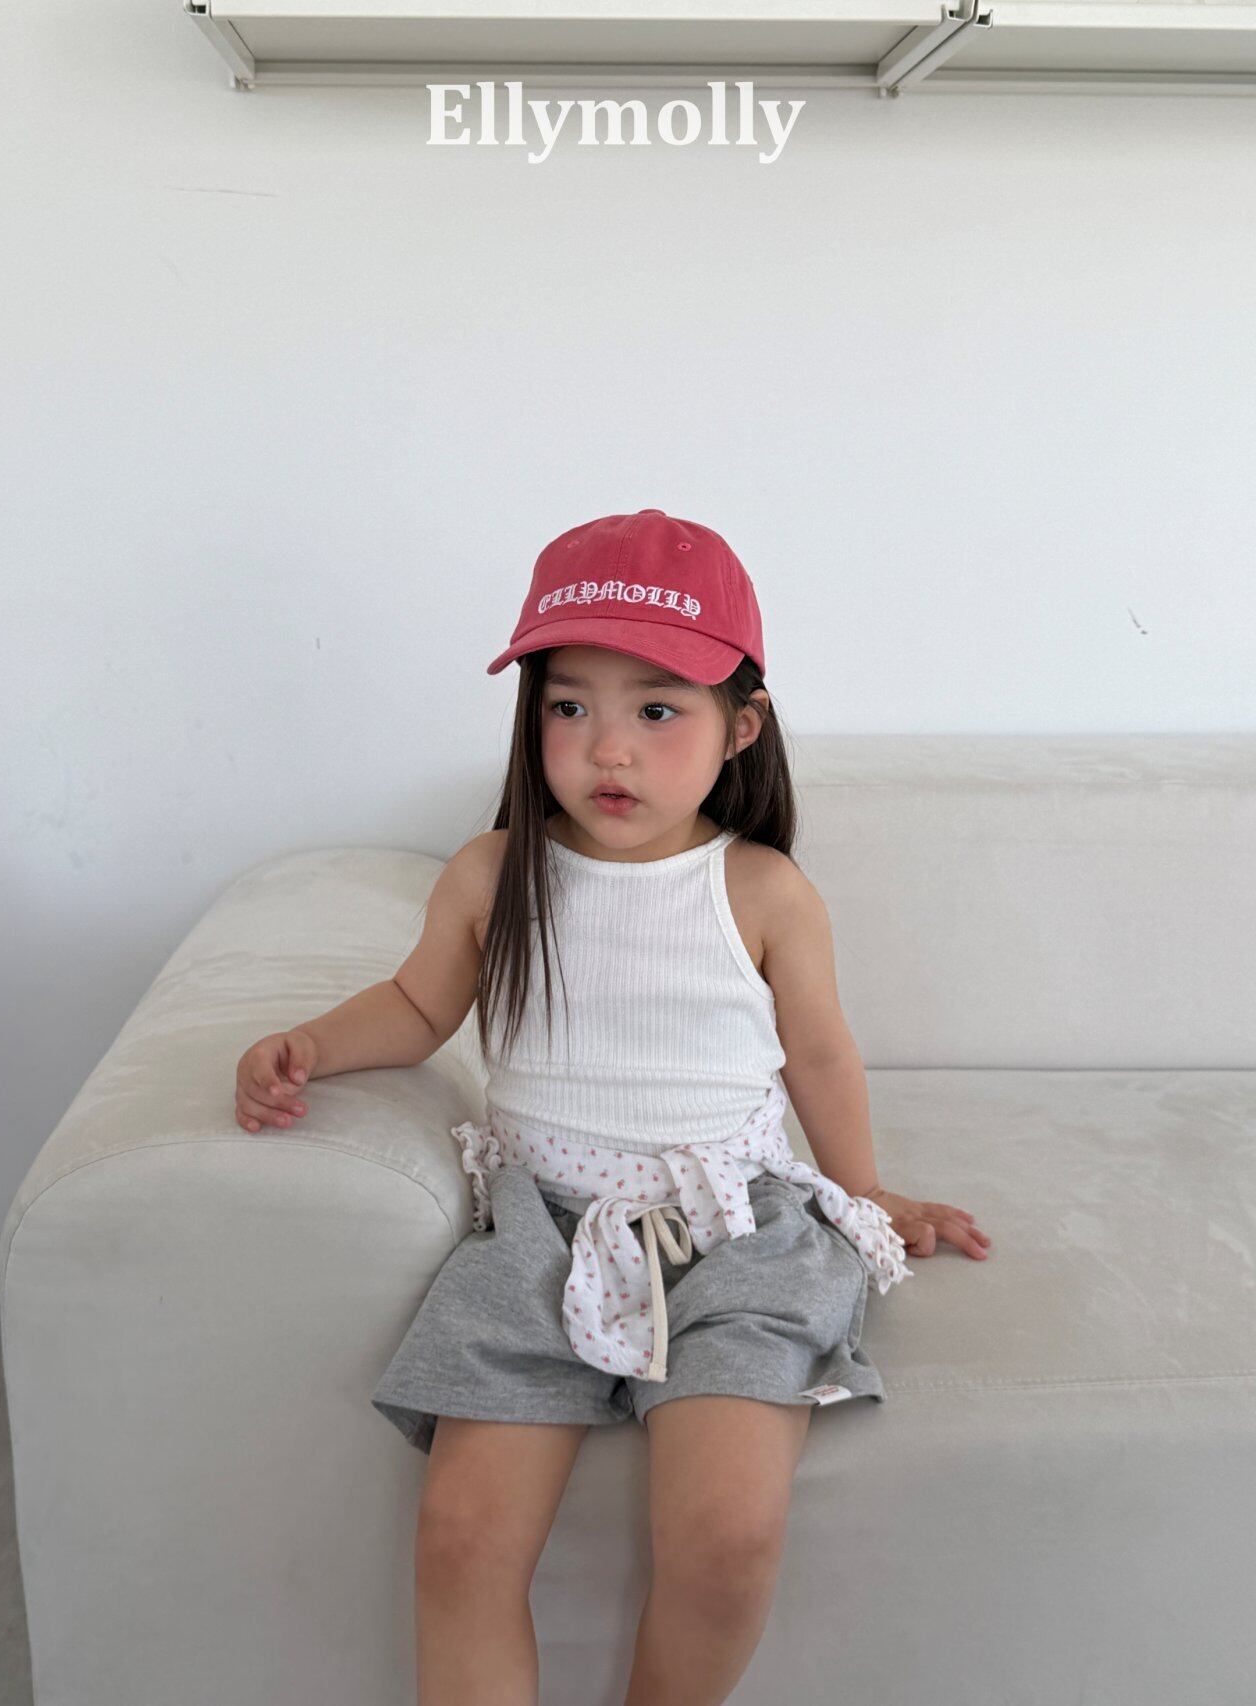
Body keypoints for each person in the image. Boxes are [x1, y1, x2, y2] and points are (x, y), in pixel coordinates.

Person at [234, 508, 992, 1706]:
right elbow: (418, 1005)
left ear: (739, 726)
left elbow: (818, 1054)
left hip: (735, 1235)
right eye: (568, 704)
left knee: (726, 1533)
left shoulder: (760, 888)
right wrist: (311, 1046)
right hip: (541, 1230)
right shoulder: (494, 872)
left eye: (655, 709)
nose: (606, 748)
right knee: (462, 1537)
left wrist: (863, 1194)